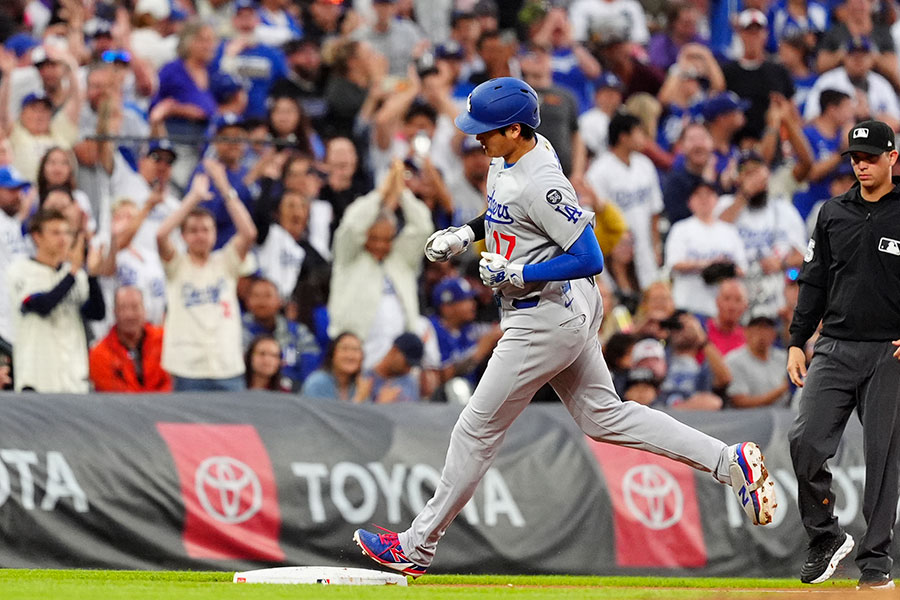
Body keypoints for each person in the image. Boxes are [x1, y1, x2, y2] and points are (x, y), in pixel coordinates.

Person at [353, 76, 776, 578]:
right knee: (605, 417)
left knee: (475, 429)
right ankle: (729, 462)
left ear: (514, 129)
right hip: (559, 309)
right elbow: (504, 215)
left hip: (543, 317)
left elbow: (590, 256)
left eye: (486, 129)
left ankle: (416, 546)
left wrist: (519, 273)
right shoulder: (512, 155)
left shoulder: (542, 181)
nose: (476, 136)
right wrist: (467, 233)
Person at [787, 119, 900, 591]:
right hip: (833, 344)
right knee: (805, 440)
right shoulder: (832, 212)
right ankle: (826, 536)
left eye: (871, 157)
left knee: (883, 459)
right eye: (856, 158)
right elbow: (813, 279)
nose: (861, 165)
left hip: (889, 351)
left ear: (893, 157)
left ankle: (875, 564)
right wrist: (797, 340)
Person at [156, 164, 258, 392]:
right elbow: (161, 235)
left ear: (215, 234)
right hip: (187, 368)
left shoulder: (226, 262)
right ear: (183, 236)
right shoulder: (177, 265)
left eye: (206, 230)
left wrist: (223, 186)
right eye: (193, 230)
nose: (200, 235)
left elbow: (249, 233)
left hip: (227, 365)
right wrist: (193, 198)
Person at [8, 208, 105, 392]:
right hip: (37, 380)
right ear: (37, 237)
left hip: (73, 381)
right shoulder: (21, 270)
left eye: (66, 233)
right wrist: (74, 270)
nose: (63, 239)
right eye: (55, 233)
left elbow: (97, 313)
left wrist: (92, 276)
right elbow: (43, 306)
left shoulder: (75, 274)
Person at [89, 286, 172, 393]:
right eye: (123, 308)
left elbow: (170, 383)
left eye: (135, 307)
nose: (129, 315)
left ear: (144, 310)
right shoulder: (99, 354)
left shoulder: (164, 341)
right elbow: (113, 393)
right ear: (114, 312)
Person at [725, 314, 789, 408]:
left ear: (774, 334)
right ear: (746, 332)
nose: (762, 333)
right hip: (750, 415)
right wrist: (782, 390)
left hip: (784, 412)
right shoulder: (734, 360)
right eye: (757, 328)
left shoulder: (783, 358)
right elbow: (739, 402)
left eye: (766, 329)